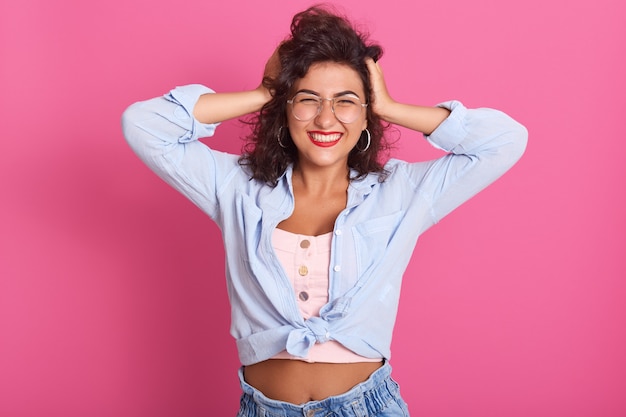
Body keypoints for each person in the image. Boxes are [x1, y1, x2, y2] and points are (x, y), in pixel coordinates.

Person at [122, 5, 527, 416]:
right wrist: (265, 92)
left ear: (367, 113)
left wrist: (388, 105)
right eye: (308, 99)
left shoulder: (401, 192)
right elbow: (143, 125)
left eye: (346, 102)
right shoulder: (236, 188)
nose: (326, 118)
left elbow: (505, 141)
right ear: (286, 108)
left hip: (368, 407)